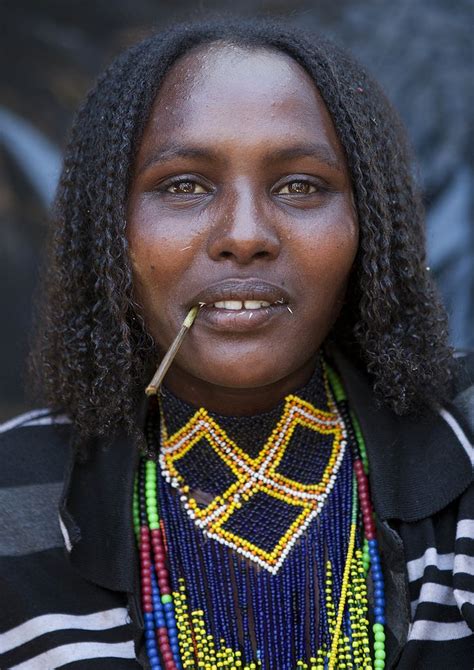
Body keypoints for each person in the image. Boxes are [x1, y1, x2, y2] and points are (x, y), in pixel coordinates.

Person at [0, 18, 472, 670]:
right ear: (110, 230)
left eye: (300, 185)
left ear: (369, 225)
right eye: (184, 185)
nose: (245, 234)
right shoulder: (12, 494)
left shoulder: (464, 436)